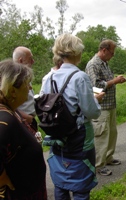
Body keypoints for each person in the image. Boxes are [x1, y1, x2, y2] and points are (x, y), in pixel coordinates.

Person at [40, 33, 104, 199]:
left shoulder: (48, 78)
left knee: (60, 182)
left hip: (56, 135)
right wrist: (95, 100)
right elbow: (92, 112)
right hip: (79, 137)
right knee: (81, 185)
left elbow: (41, 105)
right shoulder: (80, 78)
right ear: (76, 53)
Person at [0, 59, 47, 199]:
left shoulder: (10, 110)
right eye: (27, 84)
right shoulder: (4, 119)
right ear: (13, 91)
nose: (31, 88)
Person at [85, 39, 126, 176]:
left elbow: (105, 81)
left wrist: (115, 80)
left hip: (110, 105)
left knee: (112, 133)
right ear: (104, 50)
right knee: (101, 136)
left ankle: (108, 158)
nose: (113, 55)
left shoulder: (105, 64)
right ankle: (99, 165)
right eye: (112, 52)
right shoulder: (93, 64)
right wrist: (114, 81)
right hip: (101, 107)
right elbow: (95, 86)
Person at [12, 46, 39, 137]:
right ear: (20, 60)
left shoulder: (24, 74)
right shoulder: (12, 78)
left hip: (29, 121)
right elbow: (4, 102)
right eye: (30, 59)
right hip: (21, 122)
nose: (33, 61)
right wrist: (23, 117)